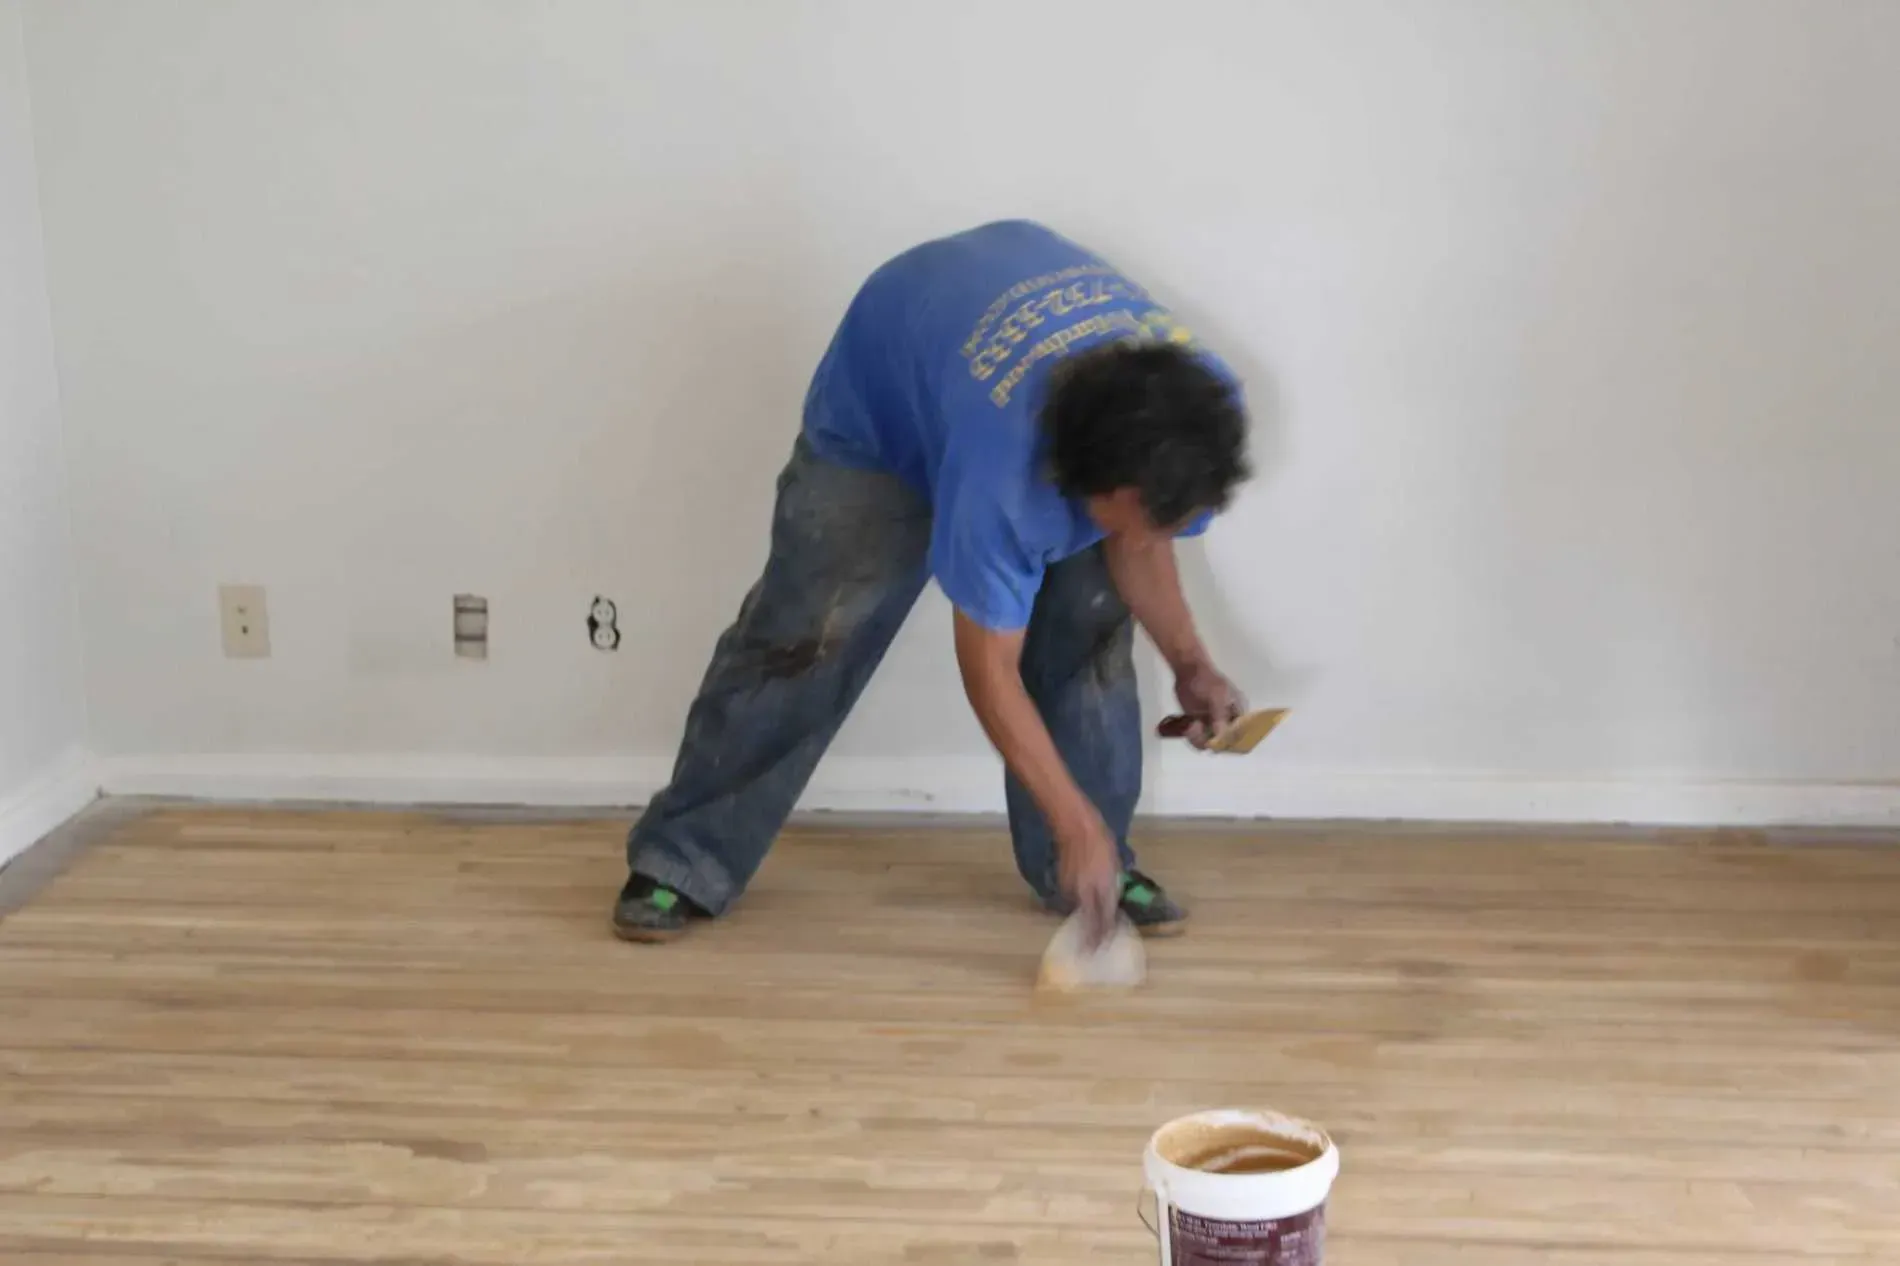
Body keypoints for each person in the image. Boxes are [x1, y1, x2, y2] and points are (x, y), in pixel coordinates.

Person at [614, 219, 1251, 945]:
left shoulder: (1195, 419)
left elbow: (1141, 541)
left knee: (1089, 630)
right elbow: (990, 673)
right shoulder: (1006, 480)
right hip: (883, 417)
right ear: (1086, 481)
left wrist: (1191, 665)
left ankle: (1089, 867)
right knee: (806, 638)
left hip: (995, 366)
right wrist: (1073, 820)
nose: (1143, 537)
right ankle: (683, 859)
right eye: (1132, 519)